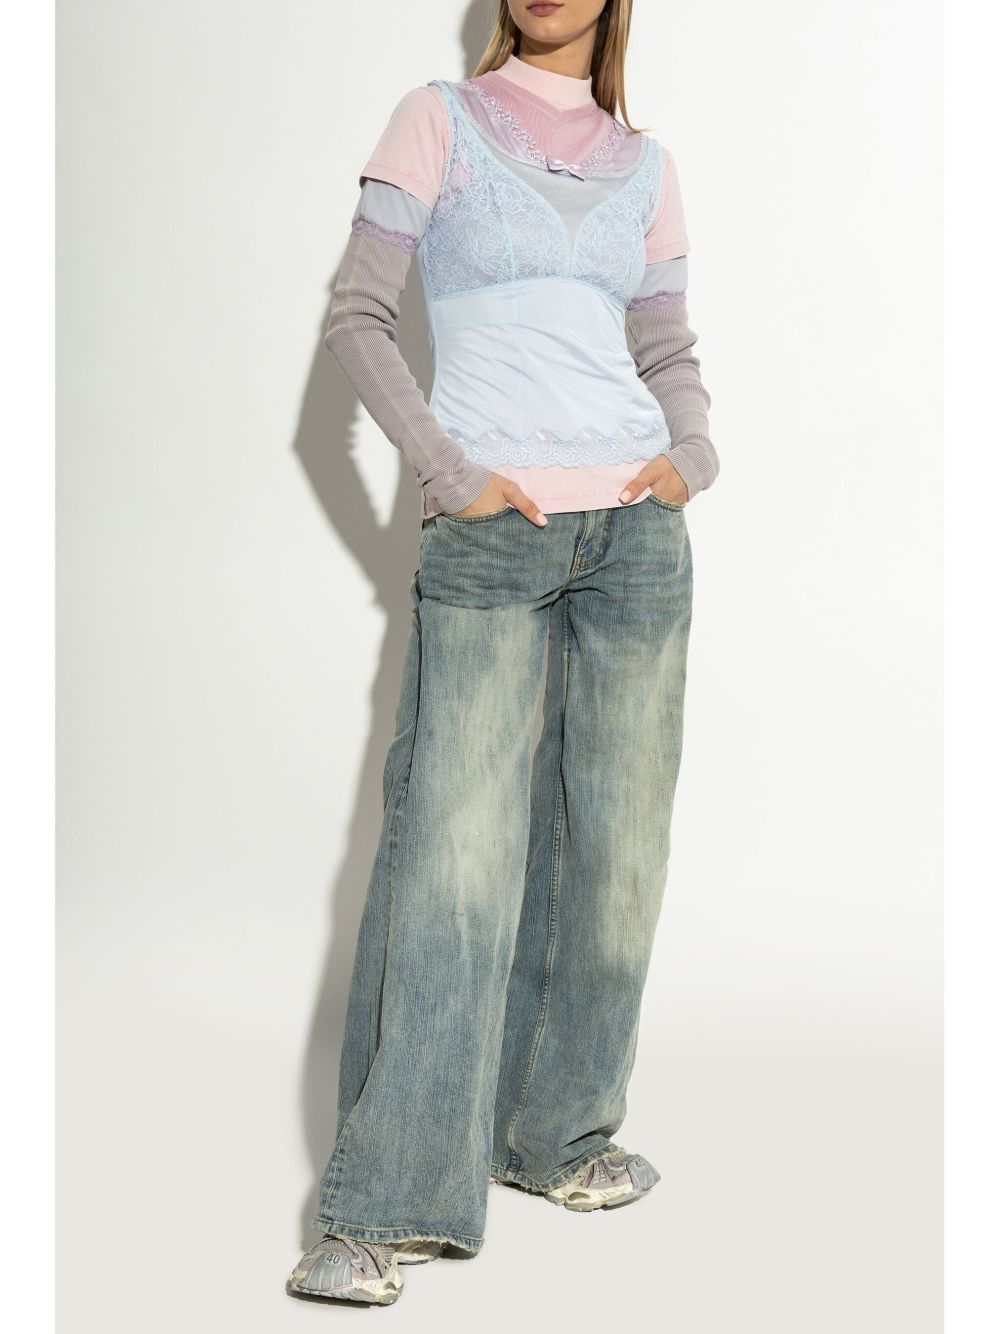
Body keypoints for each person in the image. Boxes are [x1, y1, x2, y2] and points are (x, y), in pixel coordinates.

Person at [287, 0, 718, 1305]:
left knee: (616, 860)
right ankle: (383, 1204)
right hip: (491, 532)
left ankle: (558, 1135)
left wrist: (692, 454)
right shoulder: (439, 122)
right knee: (456, 863)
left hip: (635, 539)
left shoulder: (648, 166)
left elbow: (666, 345)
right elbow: (359, 317)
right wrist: (449, 471)